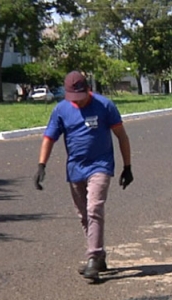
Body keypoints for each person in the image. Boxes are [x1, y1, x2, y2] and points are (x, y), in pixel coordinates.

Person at [34, 71, 133, 280]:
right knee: (84, 215)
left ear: (88, 89)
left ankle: (93, 257)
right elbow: (49, 138)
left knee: (94, 207)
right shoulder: (61, 110)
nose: (77, 102)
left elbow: (122, 136)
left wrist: (127, 166)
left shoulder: (105, 106)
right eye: (73, 98)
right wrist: (41, 165)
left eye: (80, 97)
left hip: (100, 165)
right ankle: (99, 256)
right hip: (75, 168)